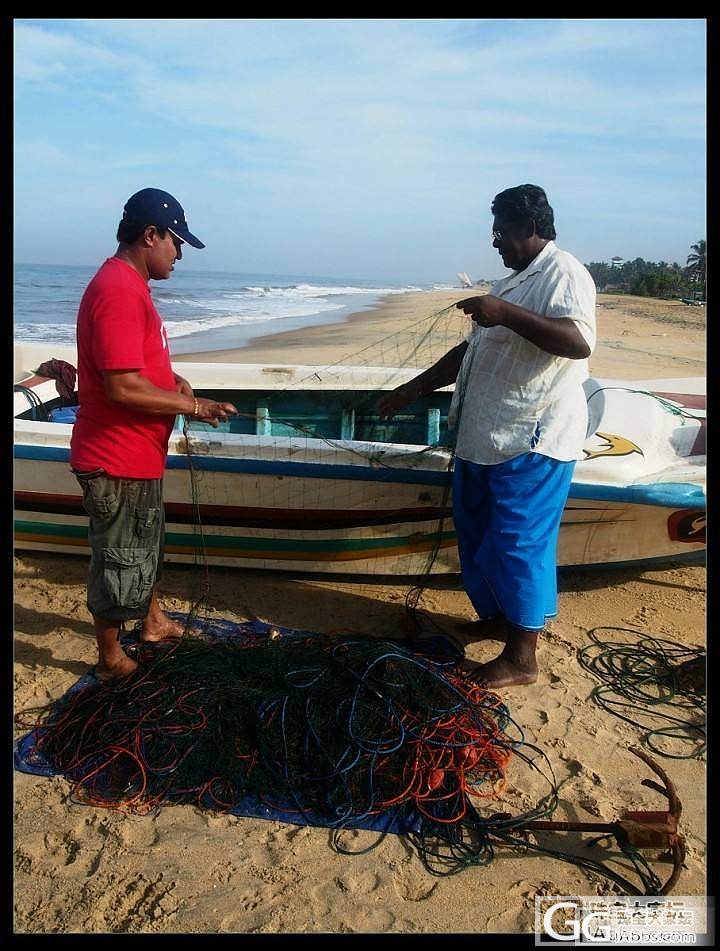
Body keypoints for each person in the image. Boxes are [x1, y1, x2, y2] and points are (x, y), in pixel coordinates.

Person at [378, 184, 596, 688]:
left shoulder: (564, 273)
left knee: (520, 542)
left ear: (530, 227)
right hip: (484, 438)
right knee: (479, 538)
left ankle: (522, 657)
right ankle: (502, 617)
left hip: (531, 437)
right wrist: (410, 390)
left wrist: (507, 315)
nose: (495, 241)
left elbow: (577, 342)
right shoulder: (509, 284)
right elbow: (469, 354)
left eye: (502, 230)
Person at [70, 188, 238, 682]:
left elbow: (137, 369)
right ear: (150, 236)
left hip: (137, 456)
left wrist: (173, 383)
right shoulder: (119, 290)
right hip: (115, 458)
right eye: (175, 242)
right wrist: (194, 405)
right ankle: (110, 659)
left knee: (143, 545)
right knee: (119, 559)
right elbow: (121, 387)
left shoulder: (132, 286)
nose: (179, 254)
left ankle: (153, 621)